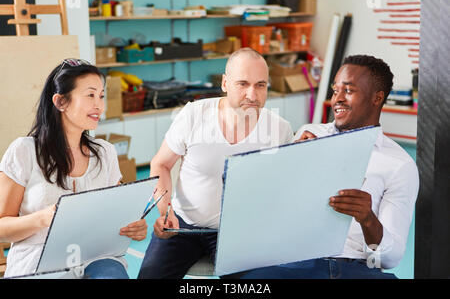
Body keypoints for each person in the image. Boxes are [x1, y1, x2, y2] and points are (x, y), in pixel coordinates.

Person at [236, 54, 419, 279]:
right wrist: (288, 165)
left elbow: (389, 259)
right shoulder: (309, 135)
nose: (337, 99)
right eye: (335, 91)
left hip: (354, 267)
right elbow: (269, 210)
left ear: (377, 98)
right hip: (293, 262)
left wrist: (367, 218)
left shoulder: (399, 165)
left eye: (349, 91)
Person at [137, 48, 294, 279]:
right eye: (243, 84)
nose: (252, 94)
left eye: (260, 85)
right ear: (224, 83)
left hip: (238, 232)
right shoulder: (193, 115)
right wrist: (165, 210)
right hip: (183, 225)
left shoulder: (279, 129)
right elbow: (161, 164)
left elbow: (286, 186)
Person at [0, 59, 148, 279]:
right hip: (39, 262)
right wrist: (43, 219)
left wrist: (136, 227)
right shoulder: (24, 151)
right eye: (90, 95)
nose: (100, 105)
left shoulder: (105, 152)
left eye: (101, 96)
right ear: (61, 102)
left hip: (96, 257)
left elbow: (117, 215)